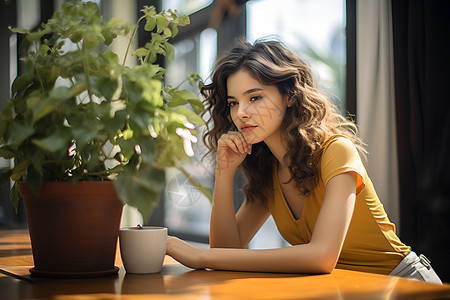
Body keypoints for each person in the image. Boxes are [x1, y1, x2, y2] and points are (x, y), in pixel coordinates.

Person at [166, 39, 442, 284]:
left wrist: (200, 256)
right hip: (348, 289)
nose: (242, 113)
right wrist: (224, 171)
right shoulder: (269, 171)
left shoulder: (336, 151)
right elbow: (226, 251)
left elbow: (322, 257)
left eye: (255, 97)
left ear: (289, 95)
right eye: (233, 102)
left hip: (405, 283)